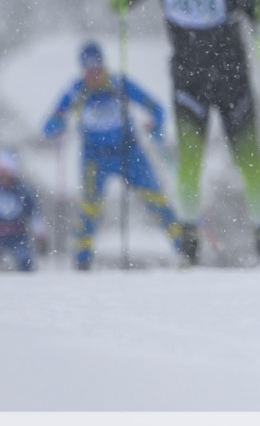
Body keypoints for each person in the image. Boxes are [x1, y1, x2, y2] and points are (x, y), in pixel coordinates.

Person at [109, 0, 260, 264]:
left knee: (249, 161)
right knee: (189, 163)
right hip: (189, 83)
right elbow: (119, 2)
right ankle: (188, 239)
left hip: (232, 82)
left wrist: (256, 9)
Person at [41, 40, 184, 269]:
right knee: (89, 208)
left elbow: (156, 108)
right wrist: (58, 125)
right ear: (82, 69)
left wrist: (155, 126)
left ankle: (185, 249)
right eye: (88, 69)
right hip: (94, 158)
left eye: (96, 68)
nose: (93, 74)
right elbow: (48, 125)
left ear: (103, 65)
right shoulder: (76, 91)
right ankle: (82, 260)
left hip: (129, 151)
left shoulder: (119, 84)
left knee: (156, 200)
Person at [0, 151, 45, 272]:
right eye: (0, 171)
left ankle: (29, 280)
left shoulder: (22, 191)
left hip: (16, 233)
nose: (2, 176)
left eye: (5, 172)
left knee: (25, 263)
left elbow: (33, 213)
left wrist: (39, 232)